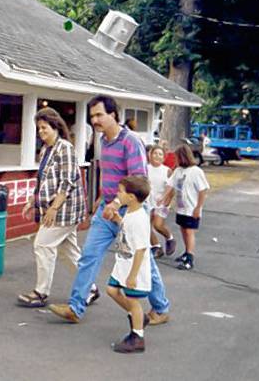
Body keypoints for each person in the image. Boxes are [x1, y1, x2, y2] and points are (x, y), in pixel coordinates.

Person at [48, 95, 170, 326]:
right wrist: (103, 197)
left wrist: (116, 204)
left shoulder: (130, 142)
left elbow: (138, 183)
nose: (95, 120)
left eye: (99, 115)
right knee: (89, 256)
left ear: (113, 114)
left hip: (129, 212)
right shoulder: (102, 140)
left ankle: (161, 309)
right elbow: (107, 170)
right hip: (107, 210)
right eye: (92, 116)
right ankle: (76, 308)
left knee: (144, 262)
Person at [17, 108, 87, 308]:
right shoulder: (46, 150)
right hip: (57, 209)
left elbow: (67, 182)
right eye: (38, 128)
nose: (41, 132)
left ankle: (41, 291)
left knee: (42, 244)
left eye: (44, 127)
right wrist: (32, 202)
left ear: (55, 126)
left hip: (65, 211)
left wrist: (53, 208)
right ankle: (89, 288)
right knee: (69, 251)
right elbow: (43, 181)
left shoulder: (64, 148)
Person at [106, 175, 152, 353]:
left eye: (121, 192)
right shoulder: (130, 212)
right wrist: (118, 220)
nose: (118, 194)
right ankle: (138, 317)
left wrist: (133, 275)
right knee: (112, 291)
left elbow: (141, 249)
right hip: (122, 264)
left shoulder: (140, 218)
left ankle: (137, 336)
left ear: (131, 197)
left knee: (133, 301)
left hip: (133, 268)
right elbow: (127, 230)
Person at [162, 144, 210, 270]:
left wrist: (198, 207)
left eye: (177, 157)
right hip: (181, 207)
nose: (175, 160)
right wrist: (163, 198)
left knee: (189, 231)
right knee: (183, 229)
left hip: (191, 207)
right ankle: (186, 252)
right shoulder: (178, 171)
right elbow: (170, 185)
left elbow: (203, 190)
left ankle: (190, 257)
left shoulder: (196, 171)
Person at [147, 145, 176, 258]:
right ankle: (156, 247)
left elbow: (171, 189)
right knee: (146, 226)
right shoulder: (145, 168)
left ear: (163, 157)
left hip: (161, 203)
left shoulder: (167, 171)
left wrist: (167, 200)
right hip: (148, 201)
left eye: (160, 154)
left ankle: (170, 238)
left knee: (158, 225)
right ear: (150, 155)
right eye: (155, 153)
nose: (157, 156)